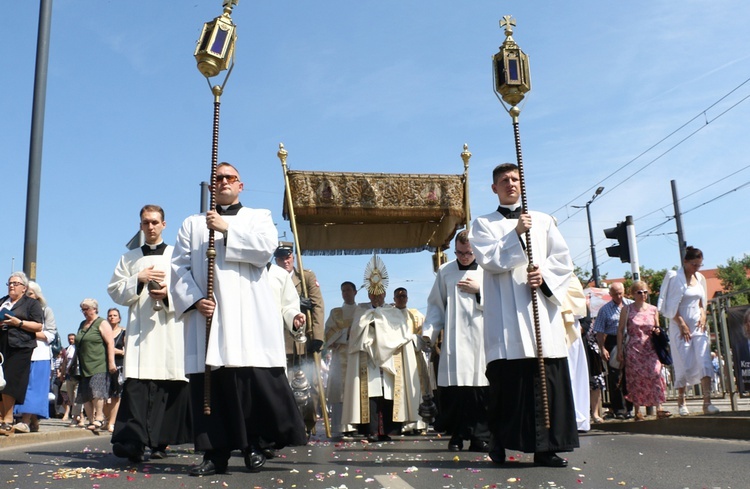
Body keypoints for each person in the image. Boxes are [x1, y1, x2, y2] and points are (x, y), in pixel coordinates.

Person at [171, 162, 306, 476]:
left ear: (240, 185)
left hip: (247, 316)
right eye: (217, 179)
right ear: (210, 186)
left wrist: (227, 228)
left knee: (247, 384)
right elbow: (178, 267)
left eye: (229, 178)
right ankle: (213, 454)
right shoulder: (192, 224)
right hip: (209, 316)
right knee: (210, 388)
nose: (222, 182)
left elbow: (264, 250)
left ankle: (253, 446)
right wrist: (194, 299)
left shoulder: (258, 217)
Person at [469, 163, 578, 468]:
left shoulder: (543, 221)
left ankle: (547, 448)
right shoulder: (482, 224)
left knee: (547, 381)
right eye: (504, 180)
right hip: (507, 320)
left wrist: (543, 278)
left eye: (515, 179)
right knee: (509, 386)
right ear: (494, 188)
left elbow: (563, 261)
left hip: (541, 314)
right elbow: (489, 261)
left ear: (522, 183)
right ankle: (500, 443)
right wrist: (516, 233)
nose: (510, 183)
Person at [108, 204, 192, 463]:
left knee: (168, 385)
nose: (151, 227)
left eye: (155, 222)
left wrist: (168, 295)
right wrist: (139, 278)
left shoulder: (177, 255)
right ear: (141, 225)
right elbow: (114, 290)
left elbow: (190, 290)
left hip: (169, 330)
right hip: (140, 333)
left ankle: (161, 443)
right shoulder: (129, 258)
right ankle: (132, 442)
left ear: (164, 224)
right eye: (146, 222)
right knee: (137, 387)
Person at [422, 230, 490, 452]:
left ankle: (479, 436)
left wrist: (480, 291)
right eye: (459, 253)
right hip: (455, 337)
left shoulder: (488, 269)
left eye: (468, 253)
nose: (463, 257)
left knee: (479, 389)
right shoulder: (445, 271)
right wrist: (429, 334)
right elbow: (435, 305)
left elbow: (500, 298)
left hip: (481, 335)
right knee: (457, 390)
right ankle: (458, 435)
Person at [342, 256, 422, 443]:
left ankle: (385, 430)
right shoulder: (361, 311)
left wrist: (382, 329)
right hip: (368, 359)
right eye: (373, 294)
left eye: (380, 294)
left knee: (387, 396)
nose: (377, 297)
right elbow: (355, 334)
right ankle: (369, 431)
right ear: (369, 294)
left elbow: (401, 333)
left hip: (389, 360)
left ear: (385, 294)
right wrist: (369, 325)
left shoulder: (393, 312)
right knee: (371, 396)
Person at [658, 246, 719, 415]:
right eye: (694, 264)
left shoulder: (700, 278)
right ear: (685, 262)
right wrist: (682, 324)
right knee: (683, 362)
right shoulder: (674, 278)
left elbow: (702, 302)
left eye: (699, 265)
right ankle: (681, 401)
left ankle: (707, 402)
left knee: (704, 360)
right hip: (680, 326)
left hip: (698, 326)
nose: (697, 268)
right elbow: (670, 305)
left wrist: (703, 315)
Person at [274, 242, 325, 434]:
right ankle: (286, 425)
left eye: (287, 257)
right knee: (282, 386)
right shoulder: (269, 276)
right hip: (280, 338)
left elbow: (318, 305)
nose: (285, 261)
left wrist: (318, 336)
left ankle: (307, 424)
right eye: (280, 258)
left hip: (304, 338)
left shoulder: (306, 277)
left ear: (293, 257)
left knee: (309, 385)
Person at [615, 281, 670, 421]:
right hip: (634, 348)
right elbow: (620, 330)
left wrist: (658, 331)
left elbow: (657, 326)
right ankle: (638, 410)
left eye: (645, 292)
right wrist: (620, 349)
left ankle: (659, 408)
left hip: (651, 347)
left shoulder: (653, 309)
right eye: (639, 292)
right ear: (633, 294)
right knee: (636, 379)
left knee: (656, 374)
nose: (643, 295)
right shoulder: (627, 310)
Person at [0, 272, 45, 436]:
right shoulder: (3, 302)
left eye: (15, 283)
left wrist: (17, 322)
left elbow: (38, 326)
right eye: (9, 283)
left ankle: (7, 419)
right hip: (2, 345)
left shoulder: (31, 304)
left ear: (24, 288)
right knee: (0, 381)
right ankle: (2, 418)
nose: (12, 286)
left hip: (20, 346)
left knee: (10, 382)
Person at [13, 281, 58, 433]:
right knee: (22, 387)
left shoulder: (46, 311)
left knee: (34, 389)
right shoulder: (19, 310)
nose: (28, 297)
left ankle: (25, 421)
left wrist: (25, 329)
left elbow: (50, 335)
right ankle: (33, 419)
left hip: (40, 355)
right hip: (22, 352)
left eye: (31, 294)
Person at [74, 298, 117, 432]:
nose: (84, 312)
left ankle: (99, 417)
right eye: (83, 309)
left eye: (87, 309)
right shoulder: (82, 324)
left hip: (98, 363)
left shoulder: (102, 323)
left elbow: (110, 343)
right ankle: (91, 420)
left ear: (94, 309)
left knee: (97, 390)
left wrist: (111, 362)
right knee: (85, 393)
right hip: (84, 364)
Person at [324, 281, 358, 438]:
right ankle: (341, 426)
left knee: (356, 390)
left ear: (355, 292)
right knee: (340, 391)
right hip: (340, 357)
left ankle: (357, 426)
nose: (346, 293)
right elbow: (328, 334)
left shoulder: (361, 311)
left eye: (348, 290)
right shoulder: (335, 313)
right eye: (343, 290)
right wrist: (346, 332)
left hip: (358, 357)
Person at [593, 282, 632, 419]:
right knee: (615, 377)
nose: (619, 296)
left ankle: (630, 407)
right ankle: (619, 409)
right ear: (610, 295)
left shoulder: (631, 305)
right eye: (615, 294)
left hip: (630, 341)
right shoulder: (605, 310)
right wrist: (602, 348)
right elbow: (599, 331)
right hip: (613, 341)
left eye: (620, 293)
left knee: (630, 376)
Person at [393, 287, 428, 436]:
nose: (401, 299)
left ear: (407, 298)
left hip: (414, 356)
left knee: (416, 389)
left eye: (404, 296)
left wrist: (412, 339)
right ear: (394, 299)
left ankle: (419, 423)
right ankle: (404, 423)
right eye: (398, 296)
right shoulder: (390, 315)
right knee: (401, 391)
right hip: (397, 357)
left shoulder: (416, 315)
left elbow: (424, 335)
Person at [103, 308, 125, 434]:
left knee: (116, 395)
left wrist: (115, 351)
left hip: (118, 365)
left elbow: (126, 350)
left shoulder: (124, 332)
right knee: (103, 395)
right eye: (110, 315)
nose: (112, 317)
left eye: (114, 315)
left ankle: (112, 422)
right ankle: (106, 420)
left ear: (119, 318)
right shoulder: (104, 332)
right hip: (103, 365)